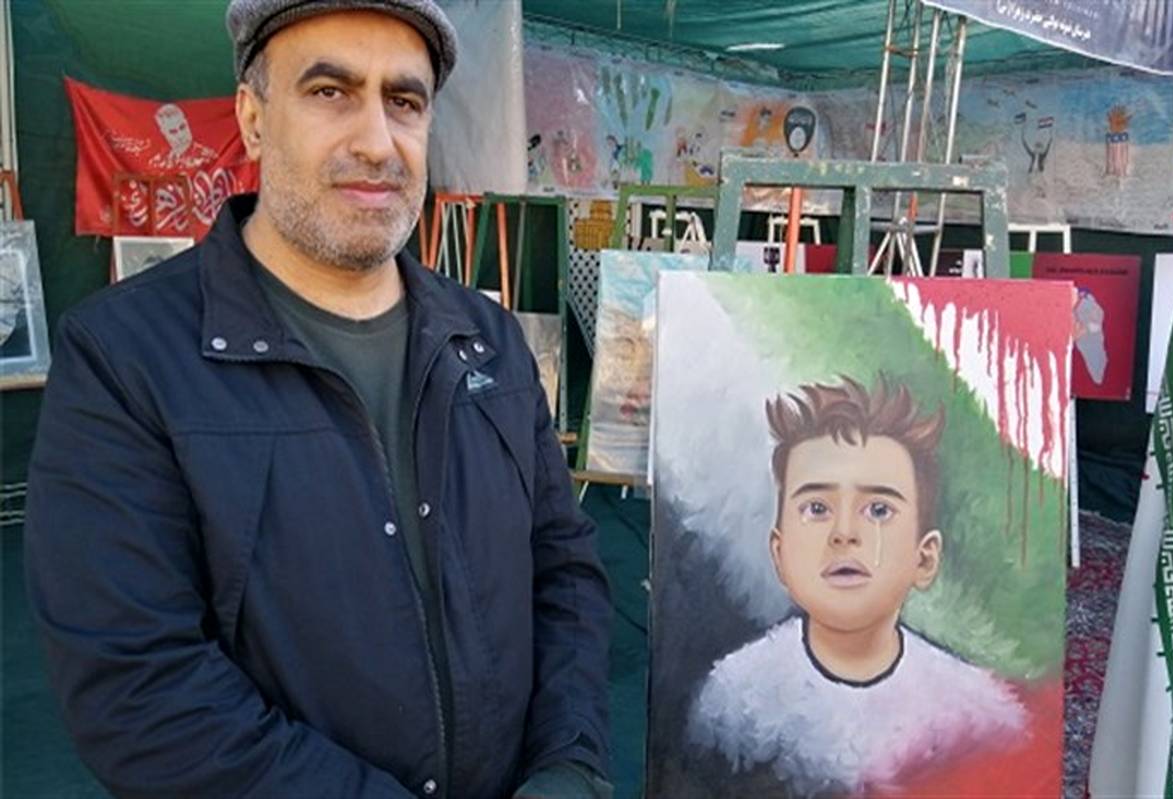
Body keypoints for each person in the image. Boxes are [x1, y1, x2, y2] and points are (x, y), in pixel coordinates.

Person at [23, 2, 611, 798]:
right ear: (252, 119)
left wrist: (570, 766)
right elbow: (140, 687)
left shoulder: (491, 339)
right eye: (330, 92)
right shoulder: (124, 358)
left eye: (404, 101)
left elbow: (564, 571)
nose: (377, 141)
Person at [687, 375, 1028, 796]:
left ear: (924, 558)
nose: (844, 533)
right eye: (817, 508)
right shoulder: (734, 699)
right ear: (780, 552)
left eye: (879, 510)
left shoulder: (976, 713)